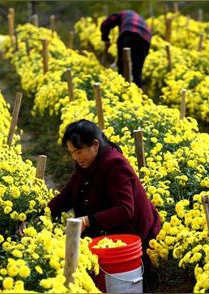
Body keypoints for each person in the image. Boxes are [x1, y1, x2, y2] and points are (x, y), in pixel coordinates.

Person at [47, 119, 161, 265]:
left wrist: (87, 221)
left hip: (132, 242)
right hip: (108, 232)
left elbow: (125, 210)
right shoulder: (86, 163)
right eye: (72, 153)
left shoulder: (115, 165)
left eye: (79, 152)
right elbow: (68, 195)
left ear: (95, 145)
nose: (75, 157)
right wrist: (41, 215)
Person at [100, 10, 151, 88]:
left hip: (128, 34)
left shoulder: (121, 14)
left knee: (122, 65)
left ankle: (122, 88)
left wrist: (105, 37)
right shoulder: (139, 17)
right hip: (145, 38)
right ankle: (137, 92)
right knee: (137, 70)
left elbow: (106, 23)